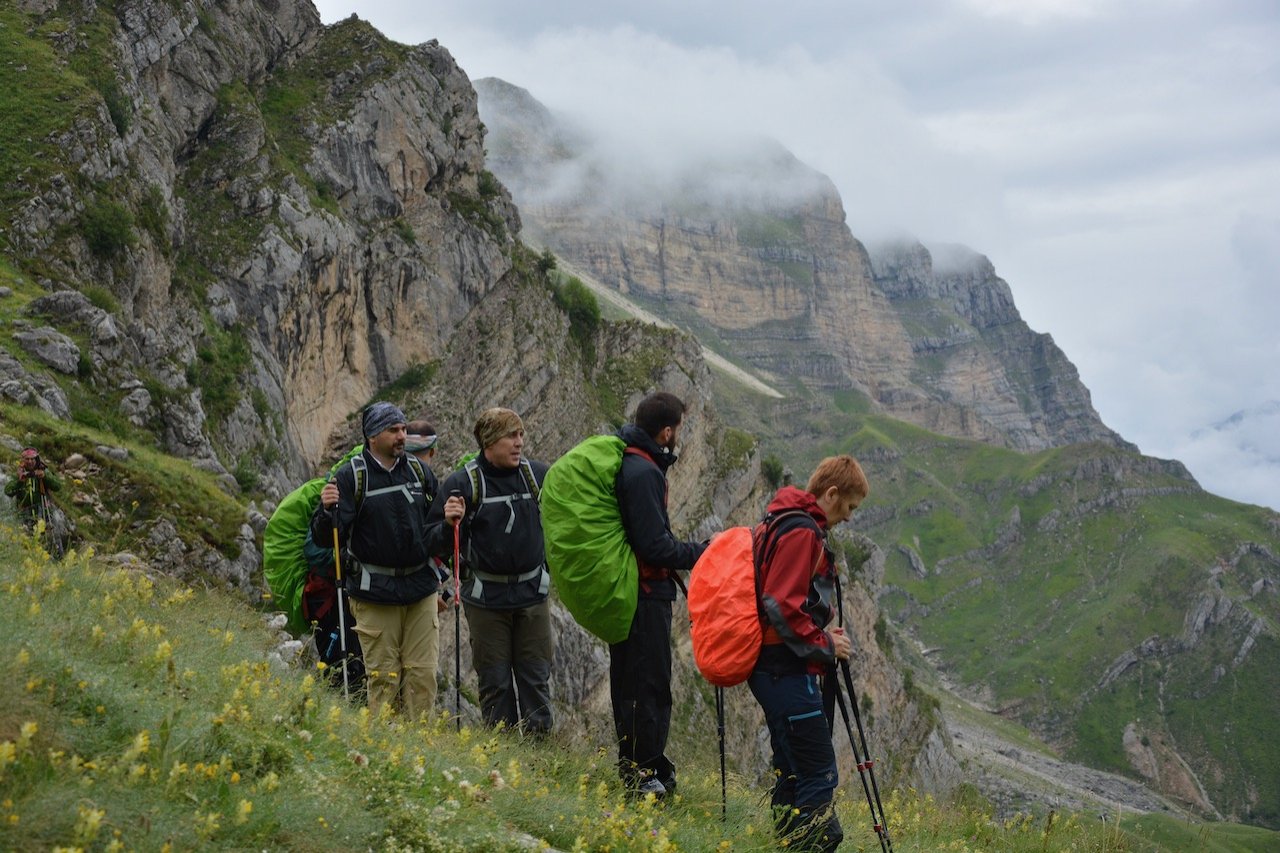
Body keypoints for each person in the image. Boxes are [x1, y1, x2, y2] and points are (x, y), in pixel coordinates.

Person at [749, 454, 868, 852]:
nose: (849, 517)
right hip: (786, 670)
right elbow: (781, 604)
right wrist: (825, 644)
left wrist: (817, 632)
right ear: (831, 494)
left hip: (770, 669)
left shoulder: (781, 520)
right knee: (818, 772)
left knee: (793, 772)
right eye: (849, 506)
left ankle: (786, 844)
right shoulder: (803, 532)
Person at [310, 402, 446, 719]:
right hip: (375, 594)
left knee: (423, 676)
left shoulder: (418, 471)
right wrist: (325, 511)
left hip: (420, 589)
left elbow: (434, 527)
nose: (402, 436)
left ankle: (420, 753)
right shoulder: (351, 477)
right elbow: (324, 536)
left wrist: (450, 522)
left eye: (403, 429)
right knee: (384, 679)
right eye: (394, 430)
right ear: (373, 436)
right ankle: (387, 750)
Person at [427, 408, 554, 734]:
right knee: (495, 682)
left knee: (536, 679)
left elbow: (564, 523)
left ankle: (540, 760)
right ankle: (503, 755)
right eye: (511, 436)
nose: (519, 442)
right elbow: (430, 540)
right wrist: (447, 524)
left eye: (521, 435)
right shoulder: (462, 484)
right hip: (487, 601)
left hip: (532, 596)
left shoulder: (538, 476)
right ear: (489, 441)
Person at [610, 391, 707, 798]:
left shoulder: (634, 462)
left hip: (636, 591)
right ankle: (642, 772)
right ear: (666, 432)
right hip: (645, 595)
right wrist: (702, 551)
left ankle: (643, 765)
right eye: (678, 430)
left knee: (634, 681)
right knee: (647, 685)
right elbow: (654, 546)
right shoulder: (644, 472)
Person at [4, 447, 61, 530]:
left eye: (32, 459)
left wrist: (45, 476)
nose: (30, 462)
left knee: (44, 539)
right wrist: (19, 481)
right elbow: (8, 491)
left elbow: (57, 486)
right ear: (23, 460)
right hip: (24, 515)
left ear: (36, 459)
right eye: (27, 459)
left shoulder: (43, 470)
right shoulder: (19, 473)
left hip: (43, 513)